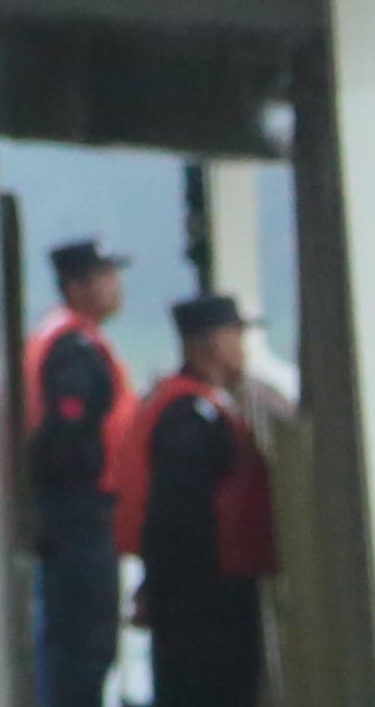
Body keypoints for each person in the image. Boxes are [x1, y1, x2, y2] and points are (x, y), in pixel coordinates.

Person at [113, 293, 279, 707]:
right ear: (212, 343)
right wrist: (165, 588)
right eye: (237, 335)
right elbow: (176, 513)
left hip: (198, 590)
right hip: (204, 597)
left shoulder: (193, 404)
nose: (242, 347)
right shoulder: (189, 416)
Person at [20, 239, 132, 705]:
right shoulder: (73, 348)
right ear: (77, 285)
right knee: (84, 643)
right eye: (106, 276)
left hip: (74, 514)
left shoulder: (71, 339)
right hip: (80, 516)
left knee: (79, 641)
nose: (116, 286)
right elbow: (67, 433)